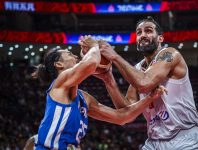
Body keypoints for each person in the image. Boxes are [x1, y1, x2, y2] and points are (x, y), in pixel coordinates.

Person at [31, 35, 165, 150]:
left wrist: (150, 98)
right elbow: (91, 63)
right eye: (69, 54)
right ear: (59, 64)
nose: (74, 55)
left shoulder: (84, 98)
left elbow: (122, 117)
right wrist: (94, 45)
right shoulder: (60, 82)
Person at [91, 16, 198, 149]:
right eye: (139, 32)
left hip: (183, 138)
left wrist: (114, 57)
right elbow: (125, 111)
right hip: (154, 141)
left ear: (160, 38)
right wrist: (108, 78)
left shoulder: (170, 54)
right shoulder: (139, 69)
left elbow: (144, 84)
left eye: (148, 31)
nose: (143, 35)